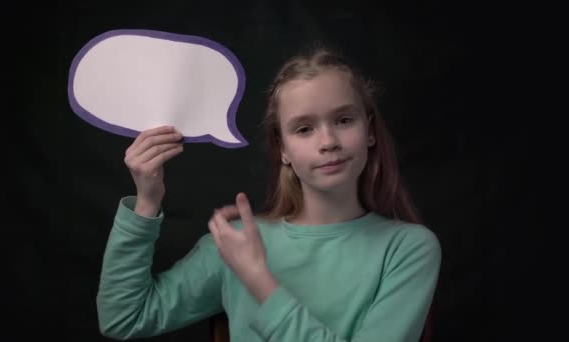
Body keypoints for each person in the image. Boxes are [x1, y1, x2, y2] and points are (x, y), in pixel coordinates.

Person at [96, 45, 442, 342]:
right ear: (283, 150)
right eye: (304, 129)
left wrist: (258, 279)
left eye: (344, 120)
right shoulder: (238, 243)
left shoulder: (408, 248)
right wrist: (146, 200)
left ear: (369, 131)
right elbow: (124, 317)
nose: (328, 142)